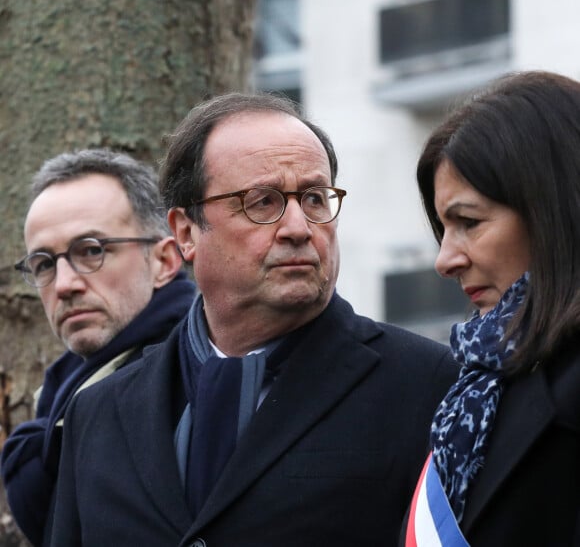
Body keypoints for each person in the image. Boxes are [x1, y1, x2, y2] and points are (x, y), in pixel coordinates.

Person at [49, 93, 458, 547]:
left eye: (315, 198)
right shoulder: (97, 413)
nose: (299, 227)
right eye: (262, 202)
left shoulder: (427, 384)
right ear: (186, 233)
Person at [402, 71, 580, 546]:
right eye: (444, 228)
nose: (445, 260)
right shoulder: (481, 386)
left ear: (556, 209)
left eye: (470, 222)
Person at [1, 149, 197, 546]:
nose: (64, 284)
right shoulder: (67, 389)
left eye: (91, 250)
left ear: (164, 260)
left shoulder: (198, 375)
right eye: (43, 264)